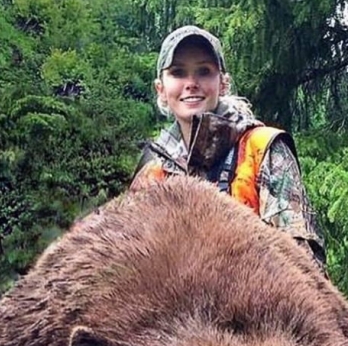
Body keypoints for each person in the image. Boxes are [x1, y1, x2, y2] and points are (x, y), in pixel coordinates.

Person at [130, 25, 326, 268]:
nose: (191, 83)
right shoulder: (151, 175)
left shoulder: (261, 148)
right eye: (178, 73)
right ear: (160, 89)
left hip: (258, 300)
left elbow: (304, 265)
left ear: (223, 83)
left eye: (204, 71)